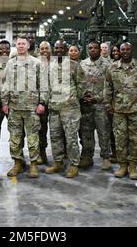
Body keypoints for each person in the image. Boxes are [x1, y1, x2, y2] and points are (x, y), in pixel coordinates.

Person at [104, 42, 137, 180]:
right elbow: (108, 87)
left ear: (132, 50)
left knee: (135, 139)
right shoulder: (112, 68)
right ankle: (122, 165)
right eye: (123, 50)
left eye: (128, 49)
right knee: (120, 139)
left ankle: (132, 165)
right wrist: (108, 104)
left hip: (136, 110)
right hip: (119, 110)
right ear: (119, 52)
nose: (125, 51)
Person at [1, 36, 47, 178]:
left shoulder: (37, 63)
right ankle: (18, 163)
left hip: (31, 108)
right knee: (15, 138)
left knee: (33, 138)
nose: (20, 46)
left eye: (23, 44)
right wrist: (4, 102)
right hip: (14, 108)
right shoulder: (10, 64)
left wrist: (42, 103)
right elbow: (5, 84)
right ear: (16, 46)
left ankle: (33, 164)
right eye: (18, 44)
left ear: (28, 46)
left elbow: (43, 84)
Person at [45, 40, 85, 178]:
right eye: (56, 48)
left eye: (62, 48)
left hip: (70, 110)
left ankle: (74, 165)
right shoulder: (50, 66)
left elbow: (81, 86)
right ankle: (58, 162)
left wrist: (72, 99)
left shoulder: (74, 65)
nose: (59, 50)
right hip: (54, 108)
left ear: (66, 49)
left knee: (71, 138)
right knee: (55, 137)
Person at [79, 41, 112, 170]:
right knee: (86, 132)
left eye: (95, 48)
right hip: (86, 104)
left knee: (103, 131)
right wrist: (83, 96)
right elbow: (79, 82)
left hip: (100, 105)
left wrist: (97, 98)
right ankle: (87, 156)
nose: (92, 50)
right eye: (90, 48)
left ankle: (105, 157)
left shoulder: (108, 65)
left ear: (100, 50)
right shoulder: (82, 64)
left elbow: (110, 86)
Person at [36, 41, 52, 165]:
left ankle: (64, 154)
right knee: (41, 128)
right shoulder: (34, 63)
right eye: (42, 48)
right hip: (41, 102)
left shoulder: (56, 63)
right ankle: (41, 152)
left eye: (46, 48)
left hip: (56, 101)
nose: (44, 50)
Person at [109, 43, 121, 162]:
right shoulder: (110, 66)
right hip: (112, 104)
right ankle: (115, 152)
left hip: (124, 104)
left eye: (117, 51)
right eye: (114, 51)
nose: (116, 53)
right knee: (112, 131)